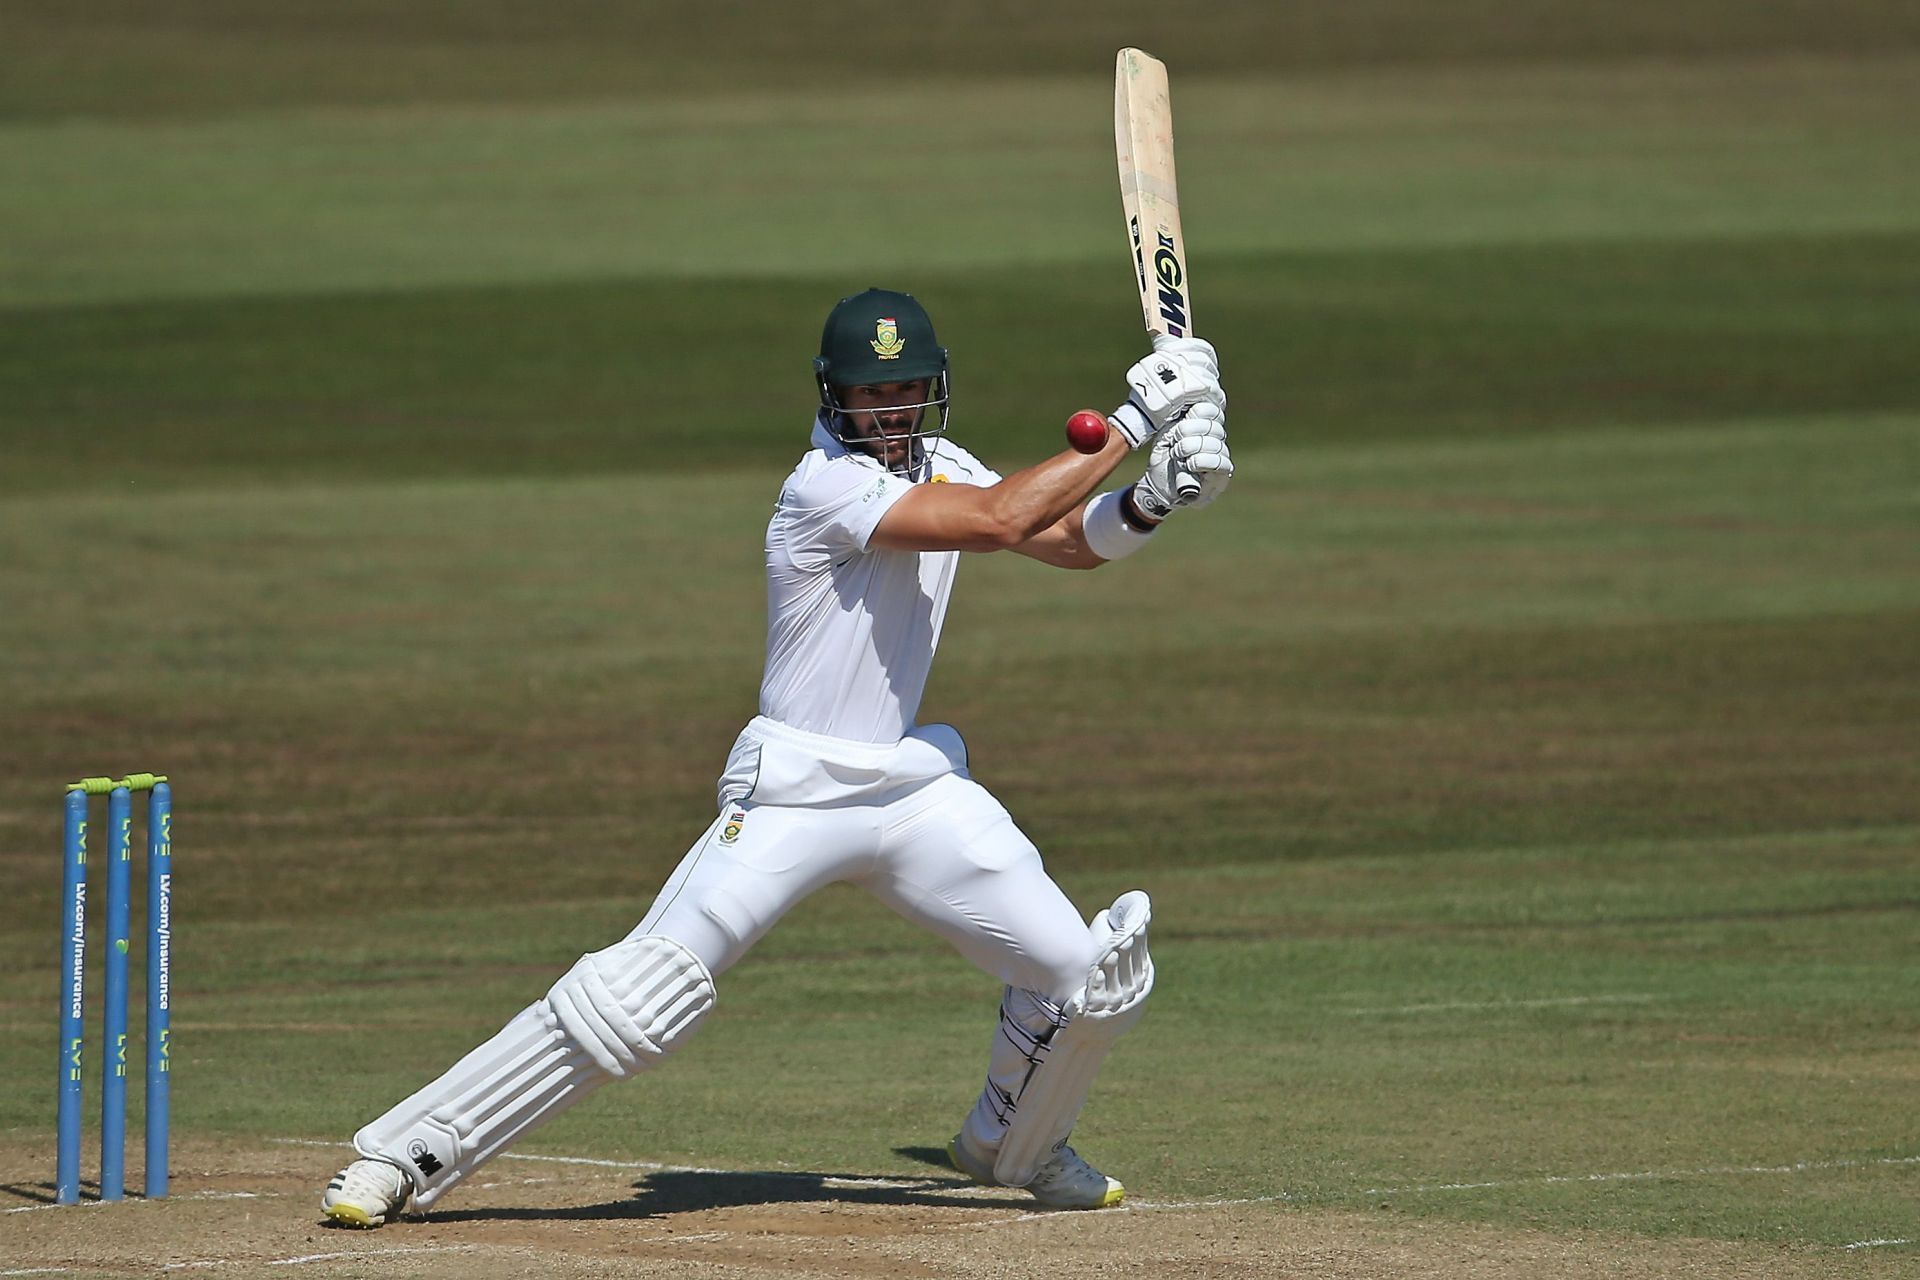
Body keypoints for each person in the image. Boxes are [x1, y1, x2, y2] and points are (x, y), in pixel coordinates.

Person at [321, 287, 1233, 1226]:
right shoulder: (824, 485)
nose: (892, 408)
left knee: (1085, 973)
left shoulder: (940, 461)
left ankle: (1014, 1141)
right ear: (835, 395)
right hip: (794, 792)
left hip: (910, 791)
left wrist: (1153, 500)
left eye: (909, 387)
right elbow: (999, 520)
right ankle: (402, 1155)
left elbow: (1060, 540)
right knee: (642, 996)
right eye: (872, 392)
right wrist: (1134, 420)